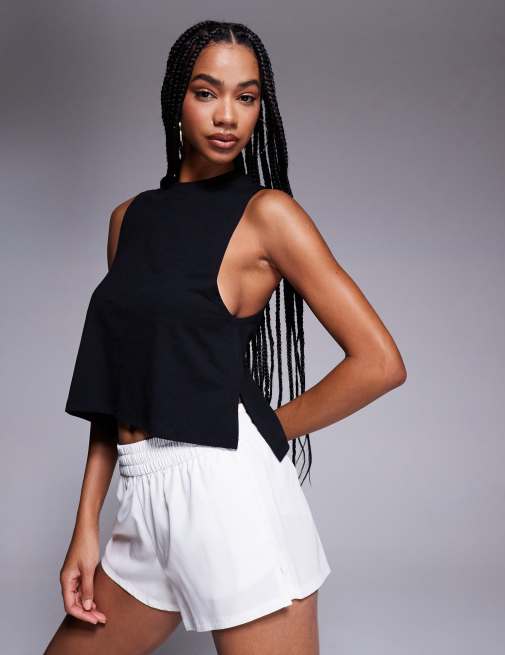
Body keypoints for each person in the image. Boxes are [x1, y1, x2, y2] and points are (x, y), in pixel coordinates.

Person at [44, 20, 407, 655]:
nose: (227, 116)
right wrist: (86, 527)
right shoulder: (128, 219)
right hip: (141, 496)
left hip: (231, 496)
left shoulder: (268, 215)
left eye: (247, 97)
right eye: (207, 92)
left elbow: (380, 362)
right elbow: (118, 386)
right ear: (176, 99)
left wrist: (270, 430)